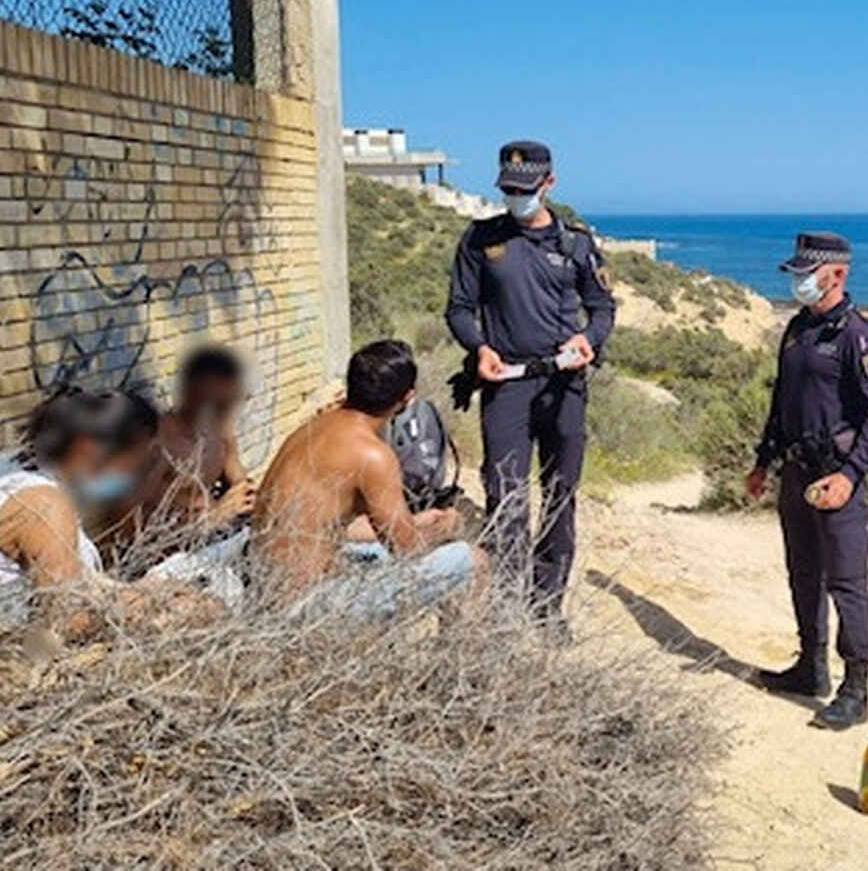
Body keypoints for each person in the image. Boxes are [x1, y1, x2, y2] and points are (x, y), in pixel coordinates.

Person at [445, 140, 615, 620]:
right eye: (508, 189)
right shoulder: (480, 240)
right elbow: (458, 308)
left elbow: (602, 308)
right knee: (506, 495)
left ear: (549, 184)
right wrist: (478, 347)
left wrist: (589, 340)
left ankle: (547, 606)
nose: (516, 197)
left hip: (563, 387)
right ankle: (505, 603)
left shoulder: (576, 244)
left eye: (526, 188)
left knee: (560, 497)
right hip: (506, 386)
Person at [746, 232, 868, 730]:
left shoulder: (859, 336)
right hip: (796, 473)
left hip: (836, 479)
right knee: (803, 573)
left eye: (805, 274)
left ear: (837, 274)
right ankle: (809, 669)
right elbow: (780, 403)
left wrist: (851, 475)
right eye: (795, 274)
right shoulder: (797, 329)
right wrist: (763, 462)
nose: (798, 282)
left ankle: (857, 689)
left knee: (846, 582)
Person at [250, 340, 485, 617]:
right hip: (308, 603)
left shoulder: (311, 428)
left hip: (266, 586)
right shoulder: (372, 455)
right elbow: (407, 550)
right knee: (474, 559)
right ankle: (456, 651)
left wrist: (415, 522)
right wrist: (443, 528)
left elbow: (325, 523)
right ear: (408, 398)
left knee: (378, 553)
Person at [0, 387, 215, 636]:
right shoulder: (43, 506)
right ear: (90, 449)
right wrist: (151, 607)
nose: (136, 475)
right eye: (136, 462)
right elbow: (67, 621)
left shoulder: (14, 467)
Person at [101, 345, 254, 572]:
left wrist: (246, 497)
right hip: (165, 561)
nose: (225, 409)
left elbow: (241, 484)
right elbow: (122, 527)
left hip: (214, 542)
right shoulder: (158, 445)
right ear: (191, 392)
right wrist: (213, 518)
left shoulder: (222, 431)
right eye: (216, 401)